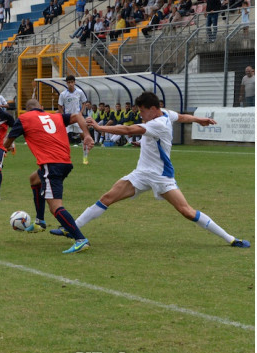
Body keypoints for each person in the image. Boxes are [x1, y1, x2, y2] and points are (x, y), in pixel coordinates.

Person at [51, 91, 251, 249]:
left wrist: (100, 128)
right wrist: (199, 119)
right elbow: (180, 116)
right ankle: (72, 228)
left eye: (142, 111)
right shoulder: (165, 114)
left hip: (161, 177)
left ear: (154, 109)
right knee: (107, 197)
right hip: (141, 174)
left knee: (187, 211)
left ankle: (231, 239)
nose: (140, 114)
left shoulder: (158, 123)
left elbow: (129, 130)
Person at [3, 99, 94, 254]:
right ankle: (40, 222)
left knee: (55, 207)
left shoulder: (24, 119)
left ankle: (80, 239)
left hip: (51, 166)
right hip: (64, 162)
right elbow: (78, 116)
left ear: (26, 110)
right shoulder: (55, 116)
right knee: (34, 179)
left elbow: (7, 143)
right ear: (41, 108)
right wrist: (86, 135)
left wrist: (8, 145)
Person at [58, 75, 87, 144]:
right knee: (64, 133)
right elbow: (59, 106)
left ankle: (84, 143)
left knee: (81, 131)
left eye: (72, 82)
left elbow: (84, 102)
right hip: (68, 116)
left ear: (74, 82)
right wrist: (63, 115)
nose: (70, 84)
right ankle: (64, 145)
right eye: (69, 82)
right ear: (66, 83)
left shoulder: (79, 92)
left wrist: (81, 112)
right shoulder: (63, 94)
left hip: (77, 116)